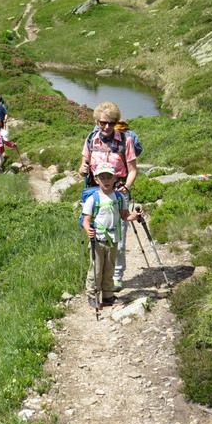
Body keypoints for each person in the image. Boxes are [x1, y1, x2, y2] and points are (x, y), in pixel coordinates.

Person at [79, 101, 138, 291]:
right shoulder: (91, 139)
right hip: (96, 194)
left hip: (118, 193)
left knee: (117, 238)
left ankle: (116, 277)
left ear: (116, 122)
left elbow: (133, 170)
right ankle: (97, 279)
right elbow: (83, 165)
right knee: (97, 238)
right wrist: (82, 169)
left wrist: (126, 187)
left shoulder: (125, 140)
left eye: (111, 123)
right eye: (102, 122)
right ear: (96, 121)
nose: (106, 127)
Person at [82, 162, 141, 309]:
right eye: (102, 177)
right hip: (97, 240)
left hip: (113, 239)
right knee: (96, 269)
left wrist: (134, 216)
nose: (106, 180)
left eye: (109, 177)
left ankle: (108, 295)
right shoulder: (93, 199)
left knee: (110, 268)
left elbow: (125, 216)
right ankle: (92, 295)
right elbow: (86, 220)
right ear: (96, 180)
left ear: (115, 178)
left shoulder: (119, 198)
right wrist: (88, 229)